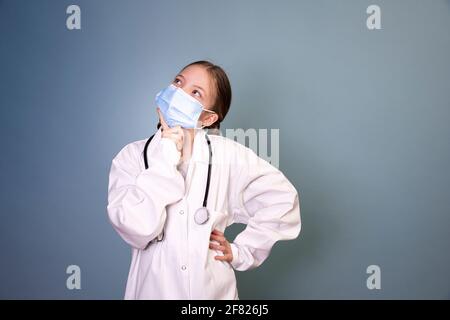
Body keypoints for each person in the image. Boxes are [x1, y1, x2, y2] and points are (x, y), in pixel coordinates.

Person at [106, 60, 301, 299]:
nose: (179, 92)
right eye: (178, 82)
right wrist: (166, 155)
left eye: (195, 92)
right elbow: (136, 228)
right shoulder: (131, 157)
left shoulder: (229, 156)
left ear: (208, 119)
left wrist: (242, 252)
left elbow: (282, 199)